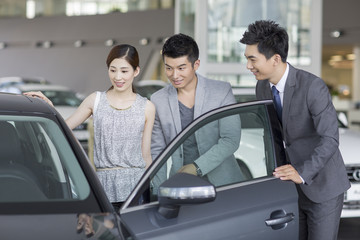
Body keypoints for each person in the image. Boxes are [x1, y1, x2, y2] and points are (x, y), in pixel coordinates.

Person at [240, 20, 350, 240]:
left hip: (324, 186)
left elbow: (330, 138)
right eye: (247, 59)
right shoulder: (262, 87)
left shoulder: (312, 86)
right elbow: (271, 135)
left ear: (276, 59)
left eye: (253, 59)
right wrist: (277, 174)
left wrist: (302, 173)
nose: (248, 66)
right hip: (291, 188)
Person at [24, 44, 156, 211]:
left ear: (136, 71)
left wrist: (154, 191)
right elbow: (63, 128)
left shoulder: (147, 107)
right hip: (103, 187)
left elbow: (146, 156)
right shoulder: (96, 100)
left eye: (124, 71)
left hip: (137, 189)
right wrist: (49, 107)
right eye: (113, 70)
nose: (117, 77)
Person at [151, 33, 243, 187]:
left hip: (224, 184)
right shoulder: (158, 100)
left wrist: (196, 168)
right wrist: (158, 192)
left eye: (181, 68)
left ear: (196, 65)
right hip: (181, 184)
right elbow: (156, 151)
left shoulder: (221, 91)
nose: (174, 75)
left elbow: (230, 140)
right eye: (169, 68)